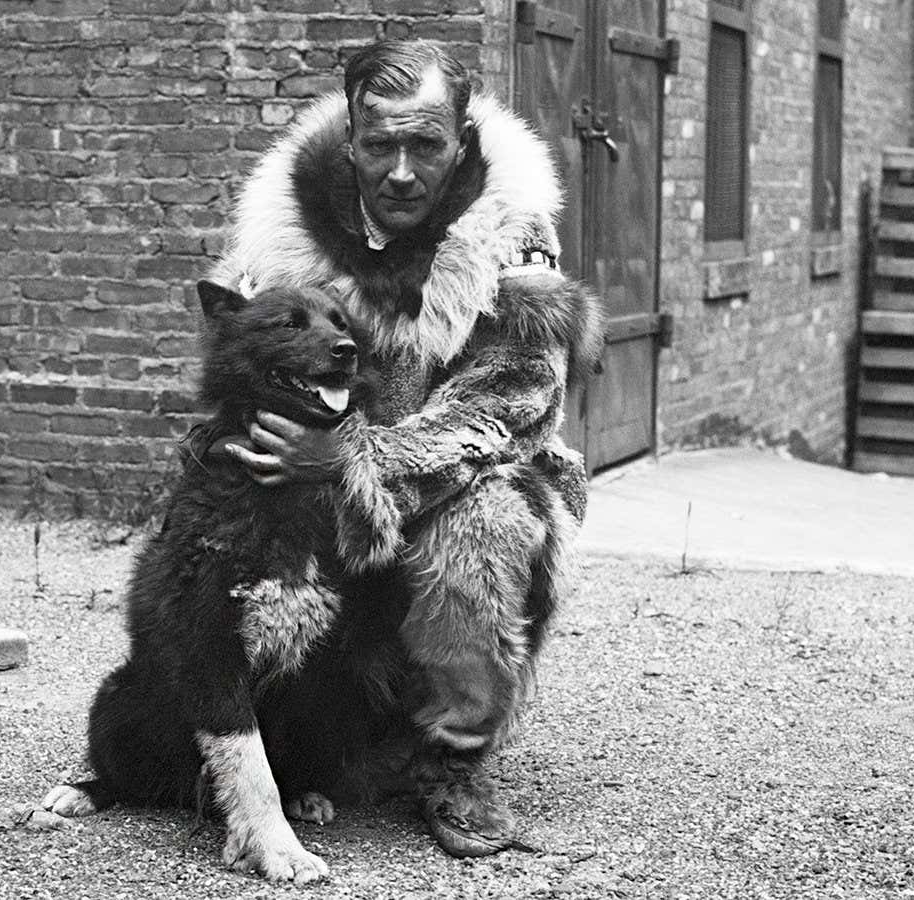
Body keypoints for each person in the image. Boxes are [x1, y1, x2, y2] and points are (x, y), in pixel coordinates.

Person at [205, 38, 601, 858]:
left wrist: (355, 462)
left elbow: (517, 398)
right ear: (351, 140)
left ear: (461, 142)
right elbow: (239, 363)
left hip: (473, 471)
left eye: (425, 145)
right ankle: (255, 729)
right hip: (328, 462)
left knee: (485, 527)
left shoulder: (512, 230)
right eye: (381, 145)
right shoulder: (285, 227)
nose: (400, 171)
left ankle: (453, 760)